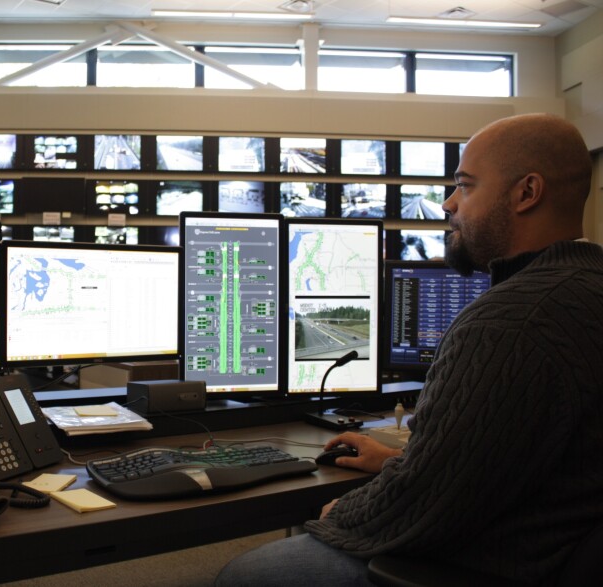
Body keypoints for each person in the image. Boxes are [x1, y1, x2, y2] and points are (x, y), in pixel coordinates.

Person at [216, 113, 603, 586]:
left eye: (465, 185)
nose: (447, 203)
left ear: (526, 193)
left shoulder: (510, 320)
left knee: (247, 574)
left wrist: (345, 514)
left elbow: (425, 502)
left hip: (496, 558)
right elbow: (524, 455)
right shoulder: (587, 287)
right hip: (560, 543)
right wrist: (401, 462)